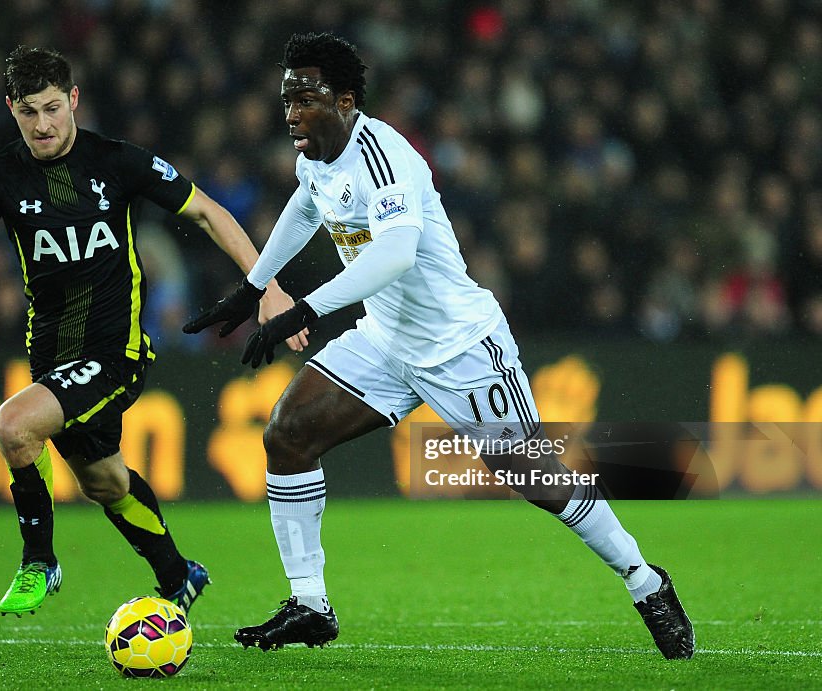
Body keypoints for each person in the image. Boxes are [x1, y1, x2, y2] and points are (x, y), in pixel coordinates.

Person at [184, 32, 695, 659]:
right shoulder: (314, 156)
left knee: (532, 474)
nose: (291, 112)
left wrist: (304, 308)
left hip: (461, 346)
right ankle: (310, 604)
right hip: (386, 341)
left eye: (306, 98)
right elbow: (305, 207)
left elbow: (396, 255)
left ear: (345, 101)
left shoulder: (386, 156)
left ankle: (645, 581)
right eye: (286, 99)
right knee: (286, 434)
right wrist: (253, 288)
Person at [0, 46, 306, 618]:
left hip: (115, 353)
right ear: (11, 109)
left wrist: (266, 286)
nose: (44, 123)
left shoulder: (117, 161)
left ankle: (39, 562)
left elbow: (208, 211)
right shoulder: (1, 174)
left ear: (74, 99)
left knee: (13, 426)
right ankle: (179, 574)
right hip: (51, 359)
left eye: (53, 107)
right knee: (104, 483)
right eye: (29, 111)